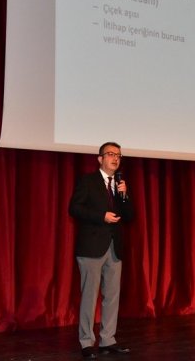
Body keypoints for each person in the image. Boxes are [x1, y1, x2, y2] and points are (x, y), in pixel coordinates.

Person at [69, 142, 134, 359]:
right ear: (100, 158)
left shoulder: (120, 184)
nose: (115, 158)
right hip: (91, 247)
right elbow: (74, 208)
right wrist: (101, 216)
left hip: (114, 247)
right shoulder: (88, 181)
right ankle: (86, 342)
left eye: (119, 155)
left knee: (112, 296)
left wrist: (124, 195)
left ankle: (108, 340)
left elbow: (130, 216)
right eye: (110, 154)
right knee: (89, 296)